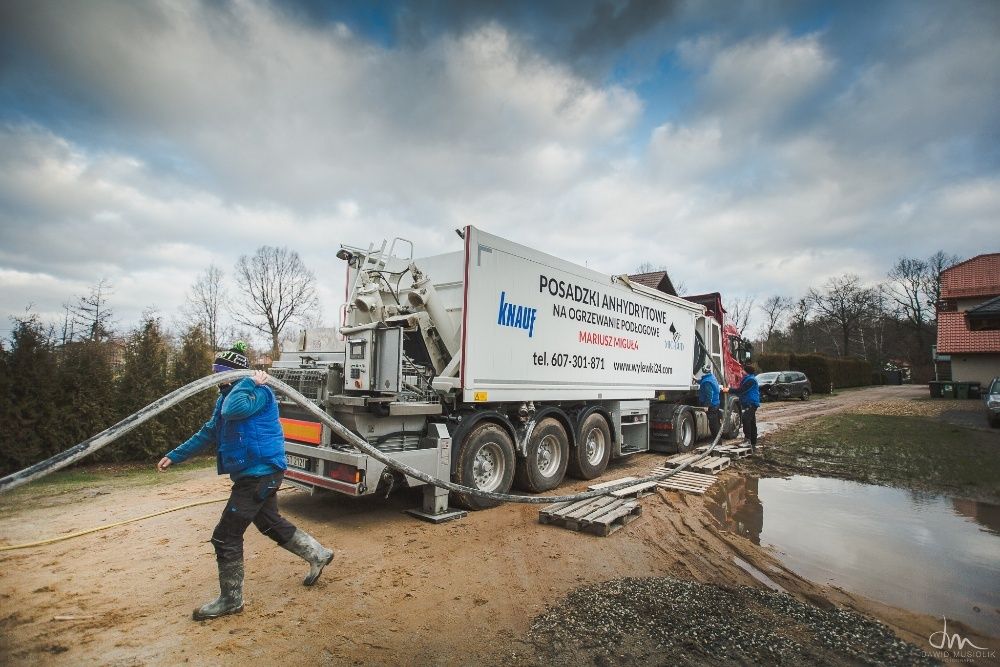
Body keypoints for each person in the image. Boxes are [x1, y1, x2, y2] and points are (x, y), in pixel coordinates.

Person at [157, 342, 334, 621]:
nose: (218, 377)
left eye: (223, 372)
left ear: (239, 374)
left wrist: (248, 382)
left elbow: (234, 411)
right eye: (216, 371)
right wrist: (175, 455)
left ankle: (231, 600)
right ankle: (318, 554)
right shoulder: (226, 396)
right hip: (254, 472)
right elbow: (209, 431)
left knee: (225, 536)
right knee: (269, 521)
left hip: (260, 472)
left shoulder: (257, 393)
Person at [728, 363, 761, 453]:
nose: (741, 371)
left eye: (743, 370)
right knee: (751, 422)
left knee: (746, 419)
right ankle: (753, 443)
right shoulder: (748, 379)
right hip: (749, 403)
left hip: (751, 403)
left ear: (746, 371)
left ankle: (748, 440)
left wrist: (729, 390)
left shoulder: (751, 380)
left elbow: (742, 390)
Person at [697, 365, 721, 438]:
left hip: (712, 405)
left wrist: (706, 406)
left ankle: (716, 442)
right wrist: (695, 379)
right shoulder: (711, 378)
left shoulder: (707, 382)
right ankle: (718, 441)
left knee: (713, 425)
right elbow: (702, 381)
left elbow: (709, 395)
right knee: (716, 423)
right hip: (716, 403)